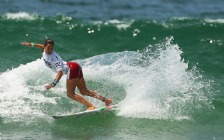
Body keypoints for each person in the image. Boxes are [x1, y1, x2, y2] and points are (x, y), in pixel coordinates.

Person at [21, 39, 112, 110]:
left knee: (70, 94)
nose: (50, 50)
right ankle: (107, 100)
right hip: (75, 66)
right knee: (84, 91)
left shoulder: (54, 58)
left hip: (71, 69)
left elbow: (60, 72)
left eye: (52, 48)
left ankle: (90, 106)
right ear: (44, 47)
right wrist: (30, 44)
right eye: (49, 48)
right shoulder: (44, 50)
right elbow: (40, 46)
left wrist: (53, 84)